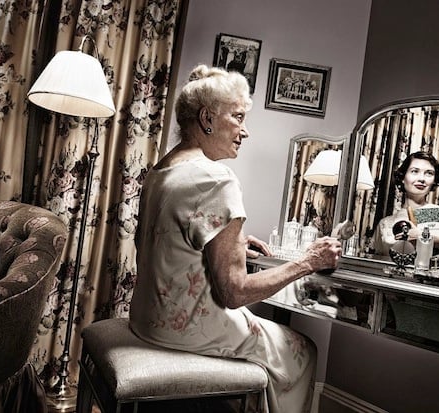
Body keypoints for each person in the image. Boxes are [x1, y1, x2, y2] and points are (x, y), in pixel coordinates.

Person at [129, 64, 341, 413]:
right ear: (207, 118)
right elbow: (234, 292)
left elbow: (171, 242)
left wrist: (233, 240)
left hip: (147, 320)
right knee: (303, 351)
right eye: (238, 117)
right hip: (188, 331)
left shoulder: (162, 170)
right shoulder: (216, 178)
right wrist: (308, 261)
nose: (245, 131)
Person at [372, 151, 439, 258]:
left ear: (434, 180)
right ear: (403, 177)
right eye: (414, 171)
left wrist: (425, 237)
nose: (421, 179)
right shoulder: (385, 223)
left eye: (429, 173)